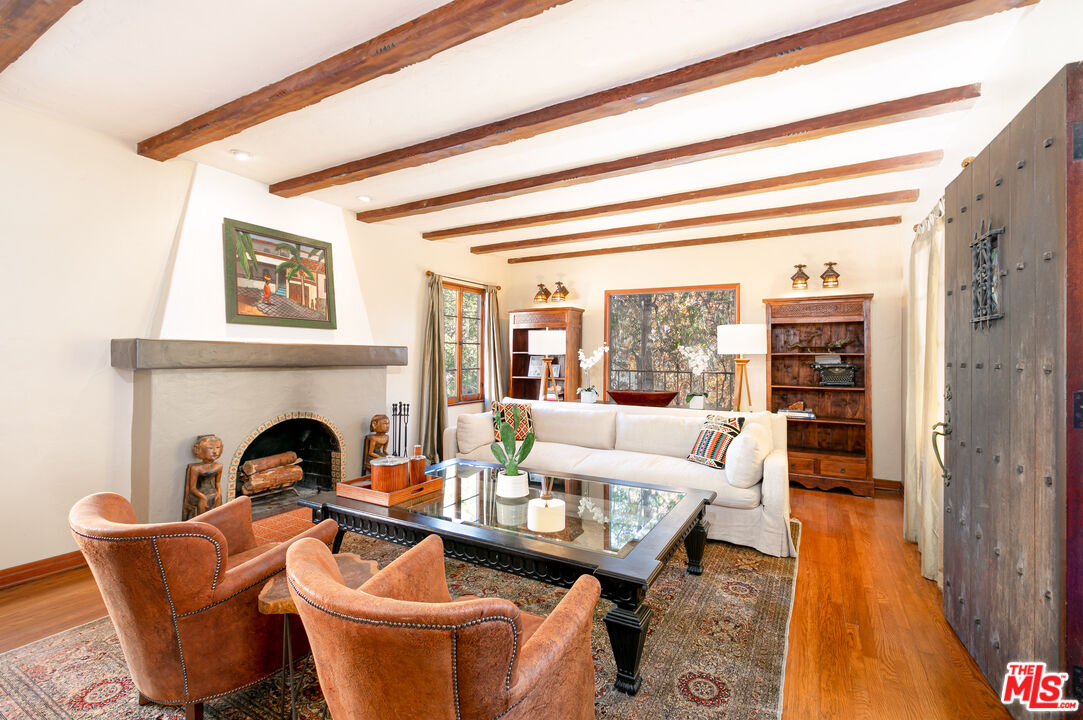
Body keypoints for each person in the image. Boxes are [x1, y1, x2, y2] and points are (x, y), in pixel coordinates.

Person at [183, 434, 223, 520]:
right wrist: (202, 497)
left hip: (211, 490)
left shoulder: (219, 466)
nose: (215, 451)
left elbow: (217, 482)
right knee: (205, 500)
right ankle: (202, 523)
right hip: (198, 492)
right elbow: (192, 488)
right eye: (210, 448)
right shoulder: (196, 468)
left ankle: (215, 522)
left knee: (216, 497)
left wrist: (219, 493)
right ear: (200, 450)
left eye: (217, 447)